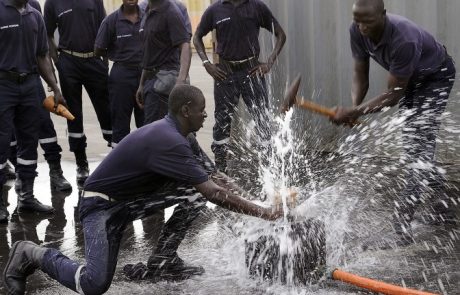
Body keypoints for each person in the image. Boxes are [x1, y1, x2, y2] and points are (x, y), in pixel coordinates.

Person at [3, 84, 283, 295]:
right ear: (186, 110)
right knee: (94, 283)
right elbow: (214, 194)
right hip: (98, 206)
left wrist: (260, 201)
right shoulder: (169, 141)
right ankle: (30, 253)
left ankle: (164, 258)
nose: (205, 113)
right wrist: (266, 213)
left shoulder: (182, 136)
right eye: (201, 108)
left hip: (125, 204)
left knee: (194, 190)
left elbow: (215, 179)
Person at [331, 0, 456, 245]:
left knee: (418, 152)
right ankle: (444, 209)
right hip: (410, 80)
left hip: (435, 78)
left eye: (367, 21)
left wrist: (355, 112)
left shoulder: (403, 39)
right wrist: (355, 108)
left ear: (383, 16)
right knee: (416, 149)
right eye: (357, 21)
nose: (362, 27)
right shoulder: (356, 30)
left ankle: (401, 229)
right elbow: (360, 73)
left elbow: (393, 95)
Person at [193, 0, 286, 173]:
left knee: (262, 121)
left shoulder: (257, 7)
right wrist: (207, 64)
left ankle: (269, 170)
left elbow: (281, 34)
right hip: (225, 74)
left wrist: (269, 62)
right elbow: (197, 37)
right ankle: (221, 171)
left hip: (252, 72)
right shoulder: (215, 9)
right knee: (222, 122)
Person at [0, 0, 65, 222]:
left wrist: (55, 88)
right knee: (1, 143)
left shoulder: (35, 16)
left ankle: (26, 196)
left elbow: (42, 56)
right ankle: (0, 203)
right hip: (3, 84)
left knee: (28, 142)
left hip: (30, 84)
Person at [44, 0, 112, 187]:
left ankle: (114, 158)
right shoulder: (52, 3)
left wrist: (104, 60)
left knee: (106, 112)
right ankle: (81, 164)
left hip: (94, 61)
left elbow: (104, 28)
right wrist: (58, 64)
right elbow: (47, 35)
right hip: (69, 63)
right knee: (73, 115)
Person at [94, 0, 144, 147]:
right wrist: (116, 55)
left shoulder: (147, 17)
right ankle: (120, 163)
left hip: (145, 74)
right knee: (120, 123)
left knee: (147, 122)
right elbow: (98, 49)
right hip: (122, 75)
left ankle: (147, 163)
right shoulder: (111, 21)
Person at [136, 0, 192, 125]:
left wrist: (181, 81)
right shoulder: (147, 11)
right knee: (163, 131)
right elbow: (150, 52)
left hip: (165, 82)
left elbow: (185, 46)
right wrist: (142, 83)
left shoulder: (171, 11)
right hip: (151, 80)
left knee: (158, 132)